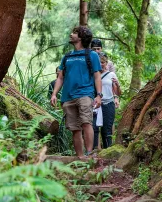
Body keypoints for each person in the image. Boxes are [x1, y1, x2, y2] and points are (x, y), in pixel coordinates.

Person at [50, 26, 102, 157]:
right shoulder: (67, 57)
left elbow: (97, 76)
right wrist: (54, 93)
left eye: (74, 33)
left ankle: (89, 154)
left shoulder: (92, 55)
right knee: (74, 129)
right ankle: (80, 158)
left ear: (80, 37)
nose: (71, 34)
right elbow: (60, 77)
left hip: (85, 94)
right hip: (68, 97)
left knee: (86, 122)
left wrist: (99, 95)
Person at [98, 52, 120, 148]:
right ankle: (95, 149)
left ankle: (108, 148)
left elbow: (118, 92)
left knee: (107, 128)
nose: (101, 64)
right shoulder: (94, 75)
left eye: (103, 62)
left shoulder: (111, 74)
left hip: (109, 103)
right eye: (99, 62)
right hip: (97, 105)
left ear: (106, 63)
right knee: (96, 128)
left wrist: (118, 85)